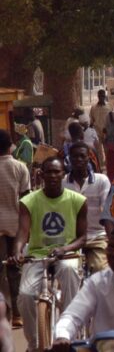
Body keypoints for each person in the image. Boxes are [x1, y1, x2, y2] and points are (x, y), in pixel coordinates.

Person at [10, 157, 88, 350]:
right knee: (26, 295)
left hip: (67, 254)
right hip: (37, 254)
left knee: (69, 273)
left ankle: (69, 330)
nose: (53, 176)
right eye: (49, 172)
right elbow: (22, 233)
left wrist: (65, 249)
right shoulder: (29, 201)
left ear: (64, 174)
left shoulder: (78, 200)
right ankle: (35, 343)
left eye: (57, 172)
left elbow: (83, 238)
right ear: (41, 174)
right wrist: (18, 252)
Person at [63, 142, 111, 273]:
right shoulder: (62, 182)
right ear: (69, 159)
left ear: (88, 158)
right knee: (68, 270)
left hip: (97, 236)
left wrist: (112, 239)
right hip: (70, 238)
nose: (78, 159)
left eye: (82, 156)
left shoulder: (101, 181)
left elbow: (106, 213)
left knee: (101, 270)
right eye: (74, 156)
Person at [0, 129, 30, 328]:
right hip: (16, 227)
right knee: (15, 270)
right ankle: (18, 314)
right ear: (11, 145)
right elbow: (27, 199)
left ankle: (3, 312)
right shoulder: (20, 167)